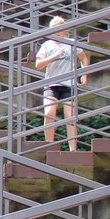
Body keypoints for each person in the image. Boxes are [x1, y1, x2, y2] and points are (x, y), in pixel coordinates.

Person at [34, 16, 90, 151]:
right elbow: (38, 65)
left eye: (58, 30)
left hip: (68, 84)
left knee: (70, 116)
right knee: (49, 113)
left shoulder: (71, 43)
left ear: (63, 30)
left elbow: (83, 58)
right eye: (53, 31)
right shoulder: (47, 45)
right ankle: (49, 145)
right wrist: (54, 56)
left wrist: (84, 74)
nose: (55, 33)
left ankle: (73, 149)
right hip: (51, 84)